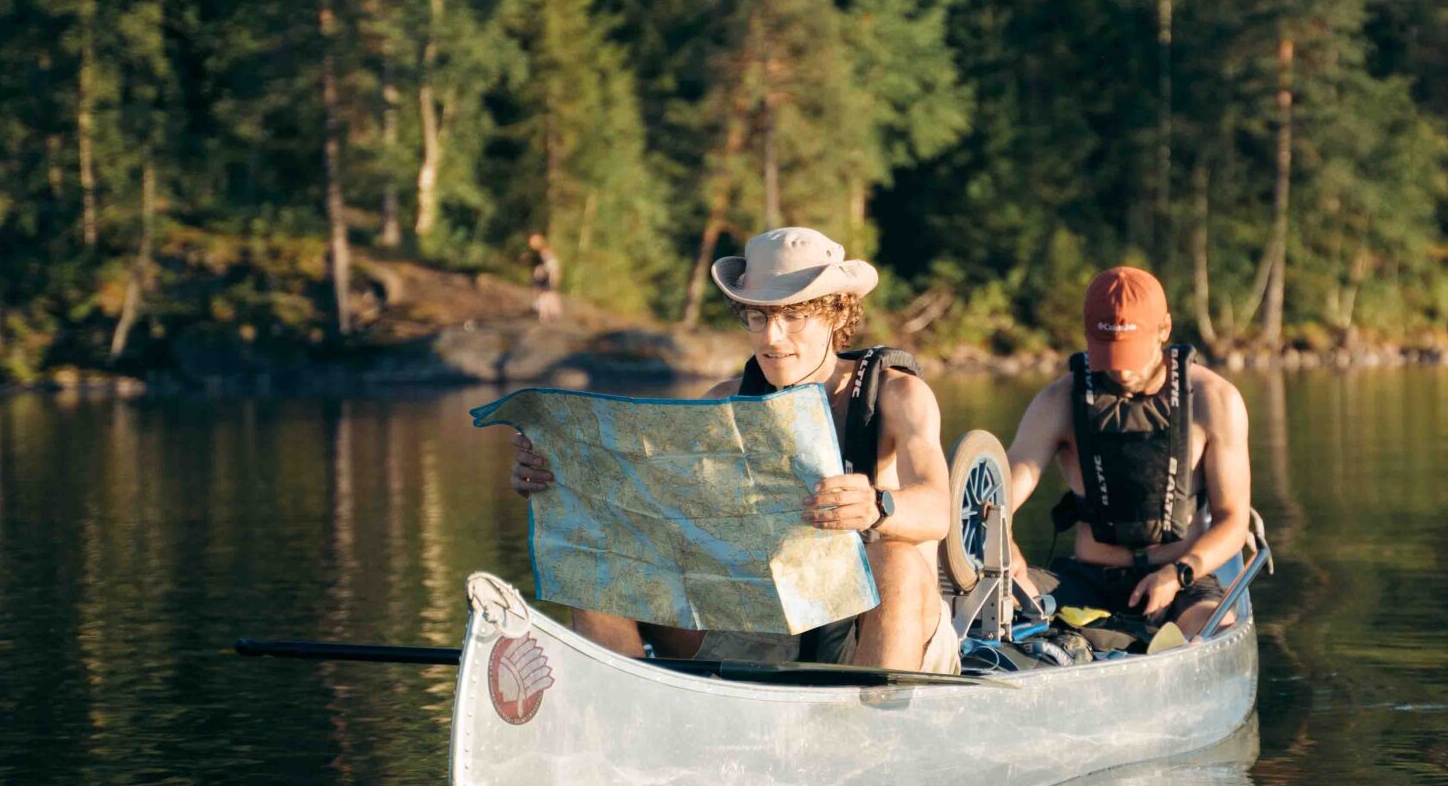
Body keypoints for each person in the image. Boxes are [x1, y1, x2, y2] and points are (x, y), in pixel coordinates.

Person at [508, 226, 957, 673]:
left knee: (893, 559)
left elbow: (939, 509)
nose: (771, 337)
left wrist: (878, 505)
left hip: (882, 623)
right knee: (599, 563)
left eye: (793, 316)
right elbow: (654, 513)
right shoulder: (722, 401)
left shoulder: (898, 395)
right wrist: (559, 478)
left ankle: (877, 731)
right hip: (767, 626)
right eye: (757, 317)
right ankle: (629, 720)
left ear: (837, 314)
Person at [1001, 265, 1252, 643]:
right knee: (998, 603)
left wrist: (1179, 572)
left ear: (1164, 330)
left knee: (1213, 628)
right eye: (1106, 352)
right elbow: (999, 496)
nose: (1118, 368)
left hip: (1182, 578)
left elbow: (1233, 521)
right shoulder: (1057, 403)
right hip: (1086, 581)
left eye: (1129, 352)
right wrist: (1005, 550)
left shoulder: (1215, 400)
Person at [526, 232, 563, 322]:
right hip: (543, 275)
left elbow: (553, 266)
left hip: (546, 276)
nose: (530, 244)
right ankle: (544, 311)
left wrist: (553, 276)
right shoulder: (540, 253)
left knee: (546, 294)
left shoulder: (546, 253)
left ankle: (549, 314)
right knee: (543, 293)